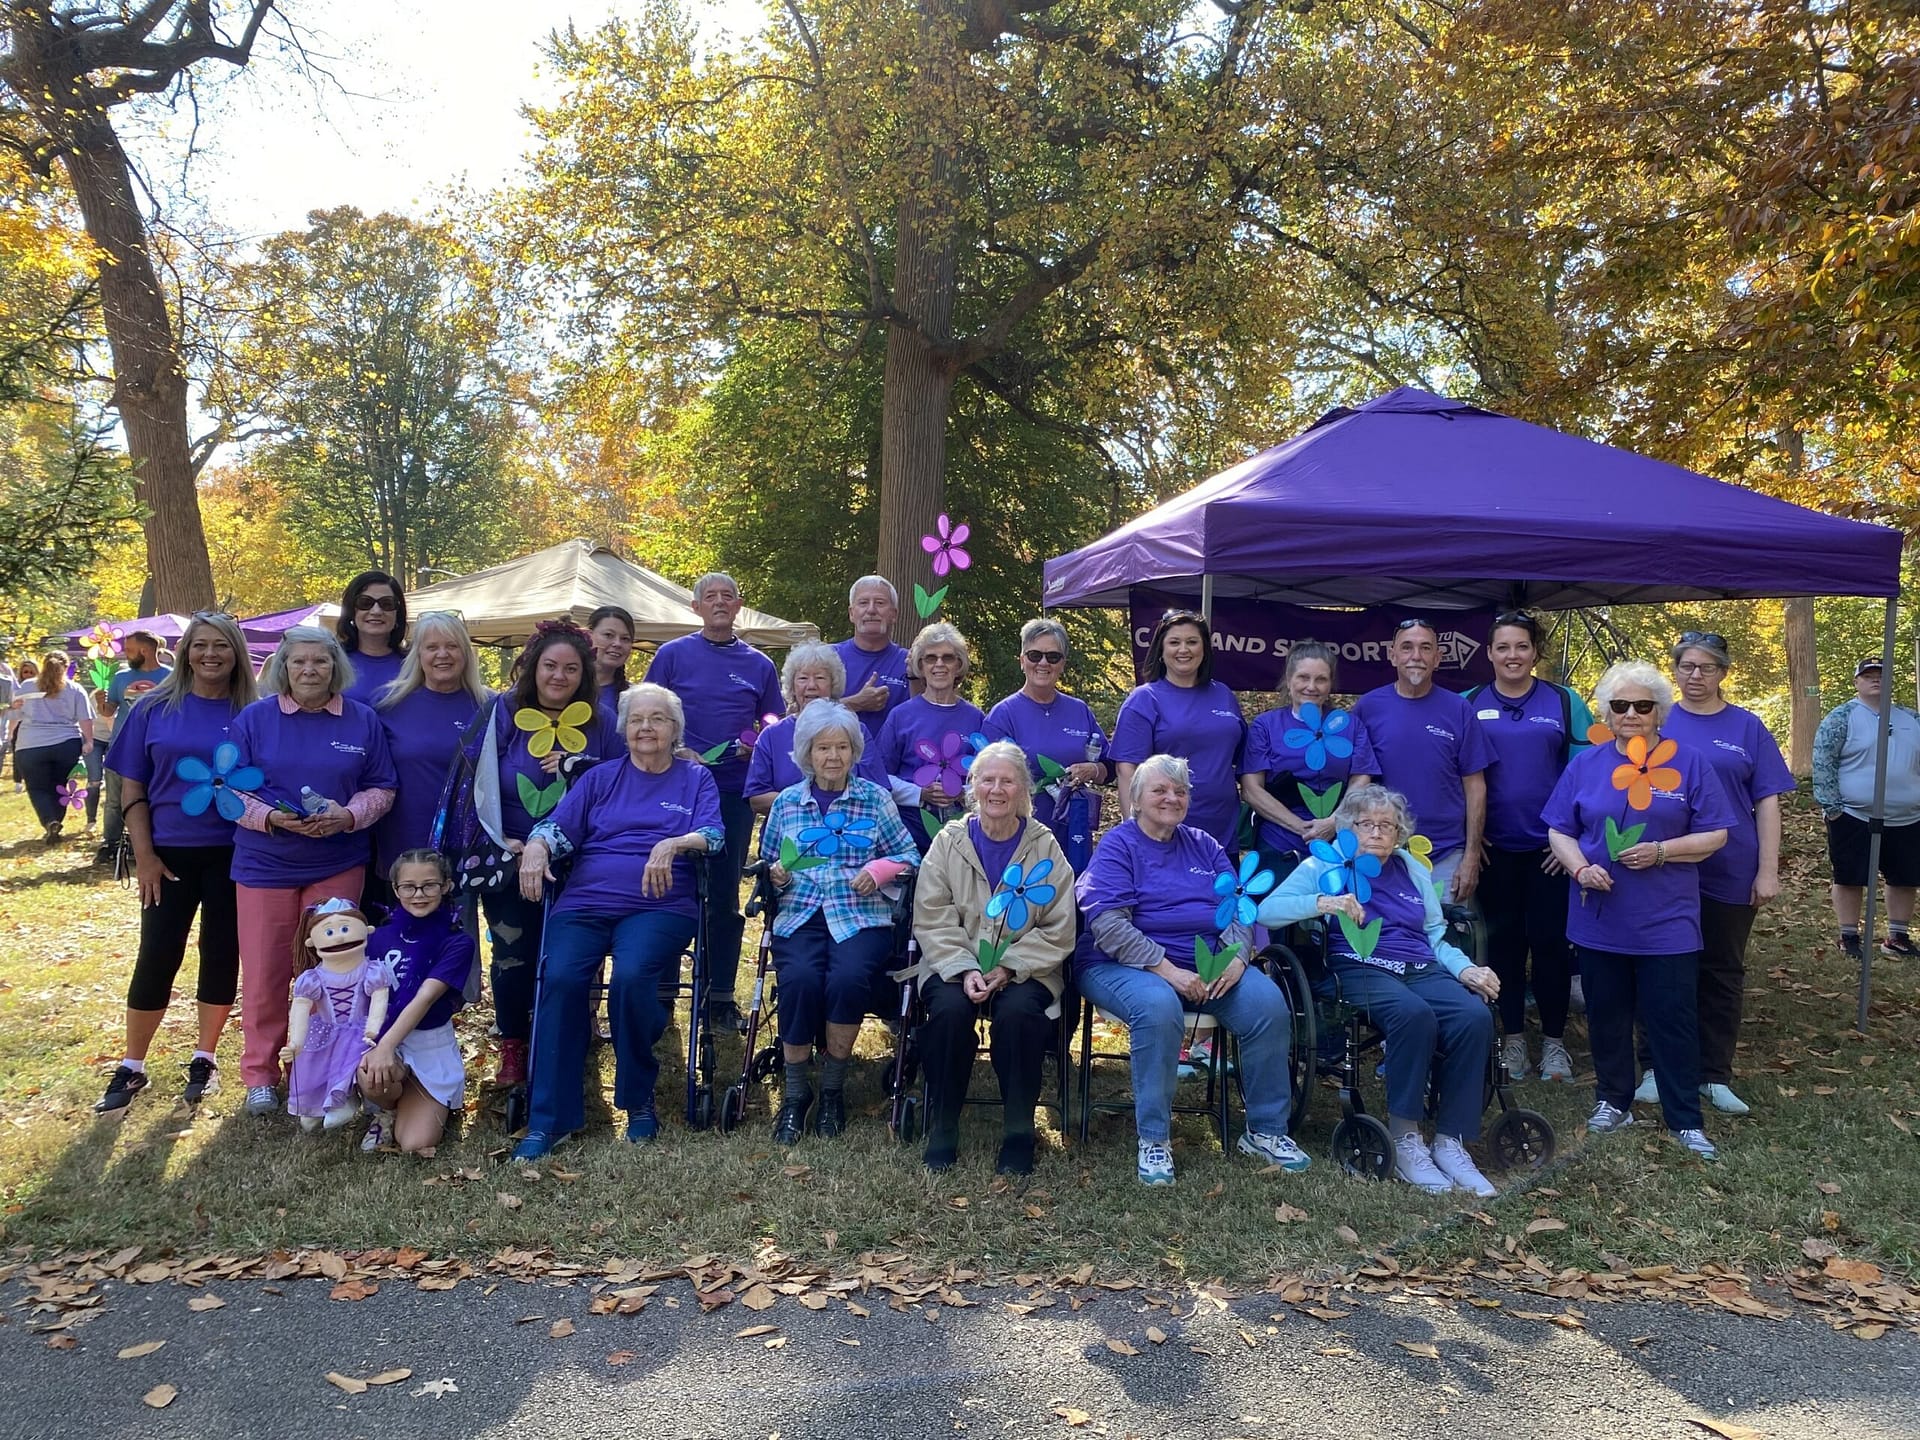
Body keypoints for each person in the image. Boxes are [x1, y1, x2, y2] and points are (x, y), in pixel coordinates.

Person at [1075, 754, 1310, 1187]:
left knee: (1267, 1004)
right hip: (1121, 964)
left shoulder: (1204, 844)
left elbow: (1239, 906)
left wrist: (1238, 959)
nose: (1171, 798)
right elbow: (1108, 924)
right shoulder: (1119, 845)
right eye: (1160, 790)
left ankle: (1265, 1130)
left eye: (1180, 791)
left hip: (1207, 965)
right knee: (1158, 1006)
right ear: (1137, 799)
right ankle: (1154, 1138)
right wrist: (1169, 971)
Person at [513, 683, 724, 1159]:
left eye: (657, 719)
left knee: (631, 977)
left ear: (675, 730)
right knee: (562, 979)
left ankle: (637, 1099)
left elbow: (714, 835)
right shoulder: (600, 778)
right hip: (586, 902)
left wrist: (673, 844)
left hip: (660, 906)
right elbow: (556, 828)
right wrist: (537, 847)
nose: (645, 728)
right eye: (636, 720)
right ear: (624, 729)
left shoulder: (695, 779)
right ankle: (550, 1119)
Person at [1262, 786, 1503, 1196]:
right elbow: (1268, 910)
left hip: (1420, 966)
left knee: (1473, 1016)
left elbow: (1435, 936)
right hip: (1357, 966)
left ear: (1399, 833)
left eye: (1386, 826)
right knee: (1413, 1014)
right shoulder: (1325, 863)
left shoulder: (1411, 868)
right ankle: (1406, 1138)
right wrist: (1326, 902)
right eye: (1366, 824)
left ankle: (1451, 1141)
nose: (1376, 832)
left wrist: (1466, 970)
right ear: (1347, 828)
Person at [1543, 660, 1738, 1162]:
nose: (1631, 714)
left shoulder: (1690, 763)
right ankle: (1614, 1100)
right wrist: (1581, 869)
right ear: (1607, 712)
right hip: (1599, 915)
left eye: (1642, 705)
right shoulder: (1585, 764)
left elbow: (1716, 834)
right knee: (1606, 1015)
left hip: (1666, 920)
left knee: (1671, 1018)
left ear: (1659, 712)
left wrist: (1662, 851)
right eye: (1620, 705)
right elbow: (1559, 830)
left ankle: (1684, 1119)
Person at [228, 626, 398, 1118]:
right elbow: (227, 789)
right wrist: (270, 818)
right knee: (266, 970)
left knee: (334, 972)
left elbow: (382, 786)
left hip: (337, 861)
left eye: (319, 662)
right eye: (298, 662)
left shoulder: (361, 720)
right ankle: (261, 1073)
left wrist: (348, 815)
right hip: (265, 863)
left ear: (335, 668)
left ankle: (326, 1070)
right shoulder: (255, 719)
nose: (309, 670)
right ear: (282, 666)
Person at [95, 612, 260, 1113]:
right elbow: (132, 787)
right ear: (186, 651)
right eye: (201, 645)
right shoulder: (153, 708)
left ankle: (205, 1056)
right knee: (158, 953)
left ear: (237, 654)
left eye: (222, 646)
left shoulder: (254, 711)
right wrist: (143, 856)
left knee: (221, 952)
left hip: (237, 853)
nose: (211, 655)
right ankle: (133, 1064)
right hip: (167, 853)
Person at [455, 622, 622, 1090]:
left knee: (571, 955)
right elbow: (473, 782)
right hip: (509, 852)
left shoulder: (601, 721)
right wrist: (498, 838)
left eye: (571, 668)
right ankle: (514, 1046)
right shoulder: (501, 712)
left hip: (581, 857)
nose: (559, 676)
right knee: (513, 955)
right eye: (550, 666)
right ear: (532, 668)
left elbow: (619, 782)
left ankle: (567, 1038)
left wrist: (581, 766)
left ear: (584, 674)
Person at [759, 702, 919, 1143]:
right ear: (807, 754)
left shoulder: (875, 799)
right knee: (800, 980)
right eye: (823, 747)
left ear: (854, 752)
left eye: (842, 747)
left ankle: (831, 1091)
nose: (833, 756)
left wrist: (880, 870)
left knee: (847, 979)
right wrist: (774, 872)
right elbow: (767, 859)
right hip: (801, 910)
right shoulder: (789, 802)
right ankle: (795, 1095)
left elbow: (909, 855)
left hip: (860, 914)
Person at [1650, 631, 1795, 1115]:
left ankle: (1714, 1073)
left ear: (1723, 673)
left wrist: (1767, 870)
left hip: (1731, 868)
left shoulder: (1747, 727)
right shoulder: (1656, 721)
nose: (1695, 676)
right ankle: (1656, 1065)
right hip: (1664, 867)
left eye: (1706, 667)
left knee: (1721, 971)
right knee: (1663, 968)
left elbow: (1767, 802)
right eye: (1687, 666)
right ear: (1675, 670)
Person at [911, 741, 1073, 1175]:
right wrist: (964, 969)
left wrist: (1007, 967)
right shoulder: (948, 842)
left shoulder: (1045, 848)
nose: (996, 789)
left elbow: (1059, 926)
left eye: (1007, 781)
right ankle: (943, 1123)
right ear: (973, 786)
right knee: (946, 1012)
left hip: (1026, 968)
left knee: (1019, 1015)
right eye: (988, 779)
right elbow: (931, 914)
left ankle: (1019, 1129)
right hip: (952, 963)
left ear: (1023, 791)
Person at [647, 573, 784, 1033]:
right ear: (695, 607)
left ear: (739, 605)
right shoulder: (671, 656)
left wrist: (758, 740)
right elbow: (647, 711)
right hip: (673, 788)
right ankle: (661, 995)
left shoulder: (759, 664)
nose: (720, 602)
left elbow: (773, 720)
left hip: (732, 791)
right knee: (667, 885)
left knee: (724, 893)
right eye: (711, 596)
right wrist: (674, 749)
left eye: (728, 596)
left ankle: (719, 998)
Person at [1465, 612, 1593, 1084]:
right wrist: (1473, 840)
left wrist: (1568, 838)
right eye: (1503, 647)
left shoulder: (1564, 700)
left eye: (1521, 646)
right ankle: (1514, 1039)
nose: (1512, 655)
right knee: (1503, 945)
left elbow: (1586, 771)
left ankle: (1555, 1044)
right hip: (1495, 849)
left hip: (1551, 851)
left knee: (1550, 944)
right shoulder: (1469, 702)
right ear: (1490, 654)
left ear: (1535, 652)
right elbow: (1461, 777)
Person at [1354, 619, 1492, 901]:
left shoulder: (1459, 709)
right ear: (1392, 655)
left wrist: (1471, 855)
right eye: (1407, 648)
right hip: (1382, 854)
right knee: (1387, 941)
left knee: (1446, 942)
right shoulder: (1367, 707)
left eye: (1425, 648)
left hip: (1446, 856)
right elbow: (1354, 780)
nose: (1416, 656)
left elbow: (1475, 787)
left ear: (1438, 658)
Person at [357, 850, 476, 1155]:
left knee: (415, 1144)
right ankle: (385, 1109)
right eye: (408, 886)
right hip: (383, 1040)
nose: (419, 895)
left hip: (428, 1045)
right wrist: (378, 1047)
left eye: (429, 885)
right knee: (373, 1074)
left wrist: (385, 1047)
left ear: (446, 886)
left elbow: (424, 999)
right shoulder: (376, 937)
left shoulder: (457, 942)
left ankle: (421, 1097)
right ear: (396, 890)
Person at [372, 612, 488, 907]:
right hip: (402, 844)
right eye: (432, 647)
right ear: (417, 654)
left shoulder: (489, 706)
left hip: (464, 849)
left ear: (466, 652)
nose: (442, 655)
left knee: (458, 943)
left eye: (452, 646)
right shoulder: (387, 704)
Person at [1241, 640, 1378, 881]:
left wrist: (1333, 823)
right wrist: (1300, 827)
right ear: (1289, 679)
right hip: (1278, 841)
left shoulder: (1351, 726)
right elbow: (1252, 790)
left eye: (1321, 679)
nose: (1311, 687)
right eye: (1303, 677)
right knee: (1277, 915)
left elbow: (1361, 779)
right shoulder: (1266, 725)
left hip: (1338, 842)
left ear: (1330, 684)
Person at [1813, 655, 1920, 963]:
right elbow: (1824, 762)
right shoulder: (1841, 717)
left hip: (1908, 816)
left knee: (1905, 877)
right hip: (1853, 814)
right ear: (1857, 682)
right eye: (1869, 675)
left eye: (1882, 675)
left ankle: (1897, 936)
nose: (1876, 680)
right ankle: (1849, 936)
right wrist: (1832, 807)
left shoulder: (1911, 718)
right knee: (1850, 876)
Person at [981, 619, 1112, 869]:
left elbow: (1109, 765)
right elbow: (983, 780)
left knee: (1069, 899)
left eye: (1052, 656)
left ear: (1062, 664)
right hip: (1019, 832)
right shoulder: (1003, 715)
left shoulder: (1079, 710)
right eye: (1034, 655)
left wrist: (1093, 770)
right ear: (1022, 660)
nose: (1043, 663)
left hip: (1073, 829)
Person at [1112, 610, 1248, 850]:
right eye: (1174, 642)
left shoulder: (1224, 696)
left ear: (1204, 649)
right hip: (1165, 835)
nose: (1183, 649)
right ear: (1161, 651)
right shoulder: (1144, 699)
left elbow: (1239, 760)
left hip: (1223, 833)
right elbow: (1127, 770)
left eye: (1192, 642)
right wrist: (1136, 833)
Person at [877, 622, 987, 853]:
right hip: (908, 831)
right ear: (920, 666)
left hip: (963, 833)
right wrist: (920, 793)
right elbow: (879, 778)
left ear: (959, 665)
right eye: (931, 658)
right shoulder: (900, 716)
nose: (939, 664)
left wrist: (961, 793)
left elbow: (987, 777)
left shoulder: (976, 718)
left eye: (947, 658)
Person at [745, 642, 891, 815]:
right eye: (803, 678)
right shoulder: (771, 735)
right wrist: (809, 802)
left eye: (820, 678)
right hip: (786, 834)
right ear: (792, 686)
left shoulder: (856, 730)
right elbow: (756, 799)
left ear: (833, 685)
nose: (811, 685)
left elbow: (880, 792)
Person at [11, 649, 94, 843]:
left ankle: (49, 821)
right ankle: (56, 821)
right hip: (66, 744)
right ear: (66, 667)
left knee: (37, 788)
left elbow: (15, 714)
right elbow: (85, 719)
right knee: (60, 786)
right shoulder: (75, 688)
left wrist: (10, 734)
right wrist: (89, 741)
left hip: (31, 744)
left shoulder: (27, 686)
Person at [835, 575, 911, 740]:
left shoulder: (910, 663)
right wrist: (856, 702)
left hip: (890, 764)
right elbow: (805, 713)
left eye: (880, 603)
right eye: (863, 603)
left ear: (894, 614)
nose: (871, 610)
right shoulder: (828, 658)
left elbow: (923, 716)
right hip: (833, 761)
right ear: (851, 613)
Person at [336, 571, 409, 706]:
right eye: (365, 602)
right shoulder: (331, 661)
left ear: (397, 612)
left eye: (386, 603)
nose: (376, 611)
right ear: (351, 610)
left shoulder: (414, 664)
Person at [587, 605, 636, 721]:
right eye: (608, 635)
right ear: (589, 637)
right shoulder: (565, 688)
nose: (617, 644)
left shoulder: (635, 697)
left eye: (625, 639)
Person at [106, 629, 171, 709]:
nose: (125, 654)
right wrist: (101, 703)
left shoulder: (172, 677)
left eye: (129, 650)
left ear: (144, 651)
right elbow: (108, 711)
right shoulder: (120, 676)